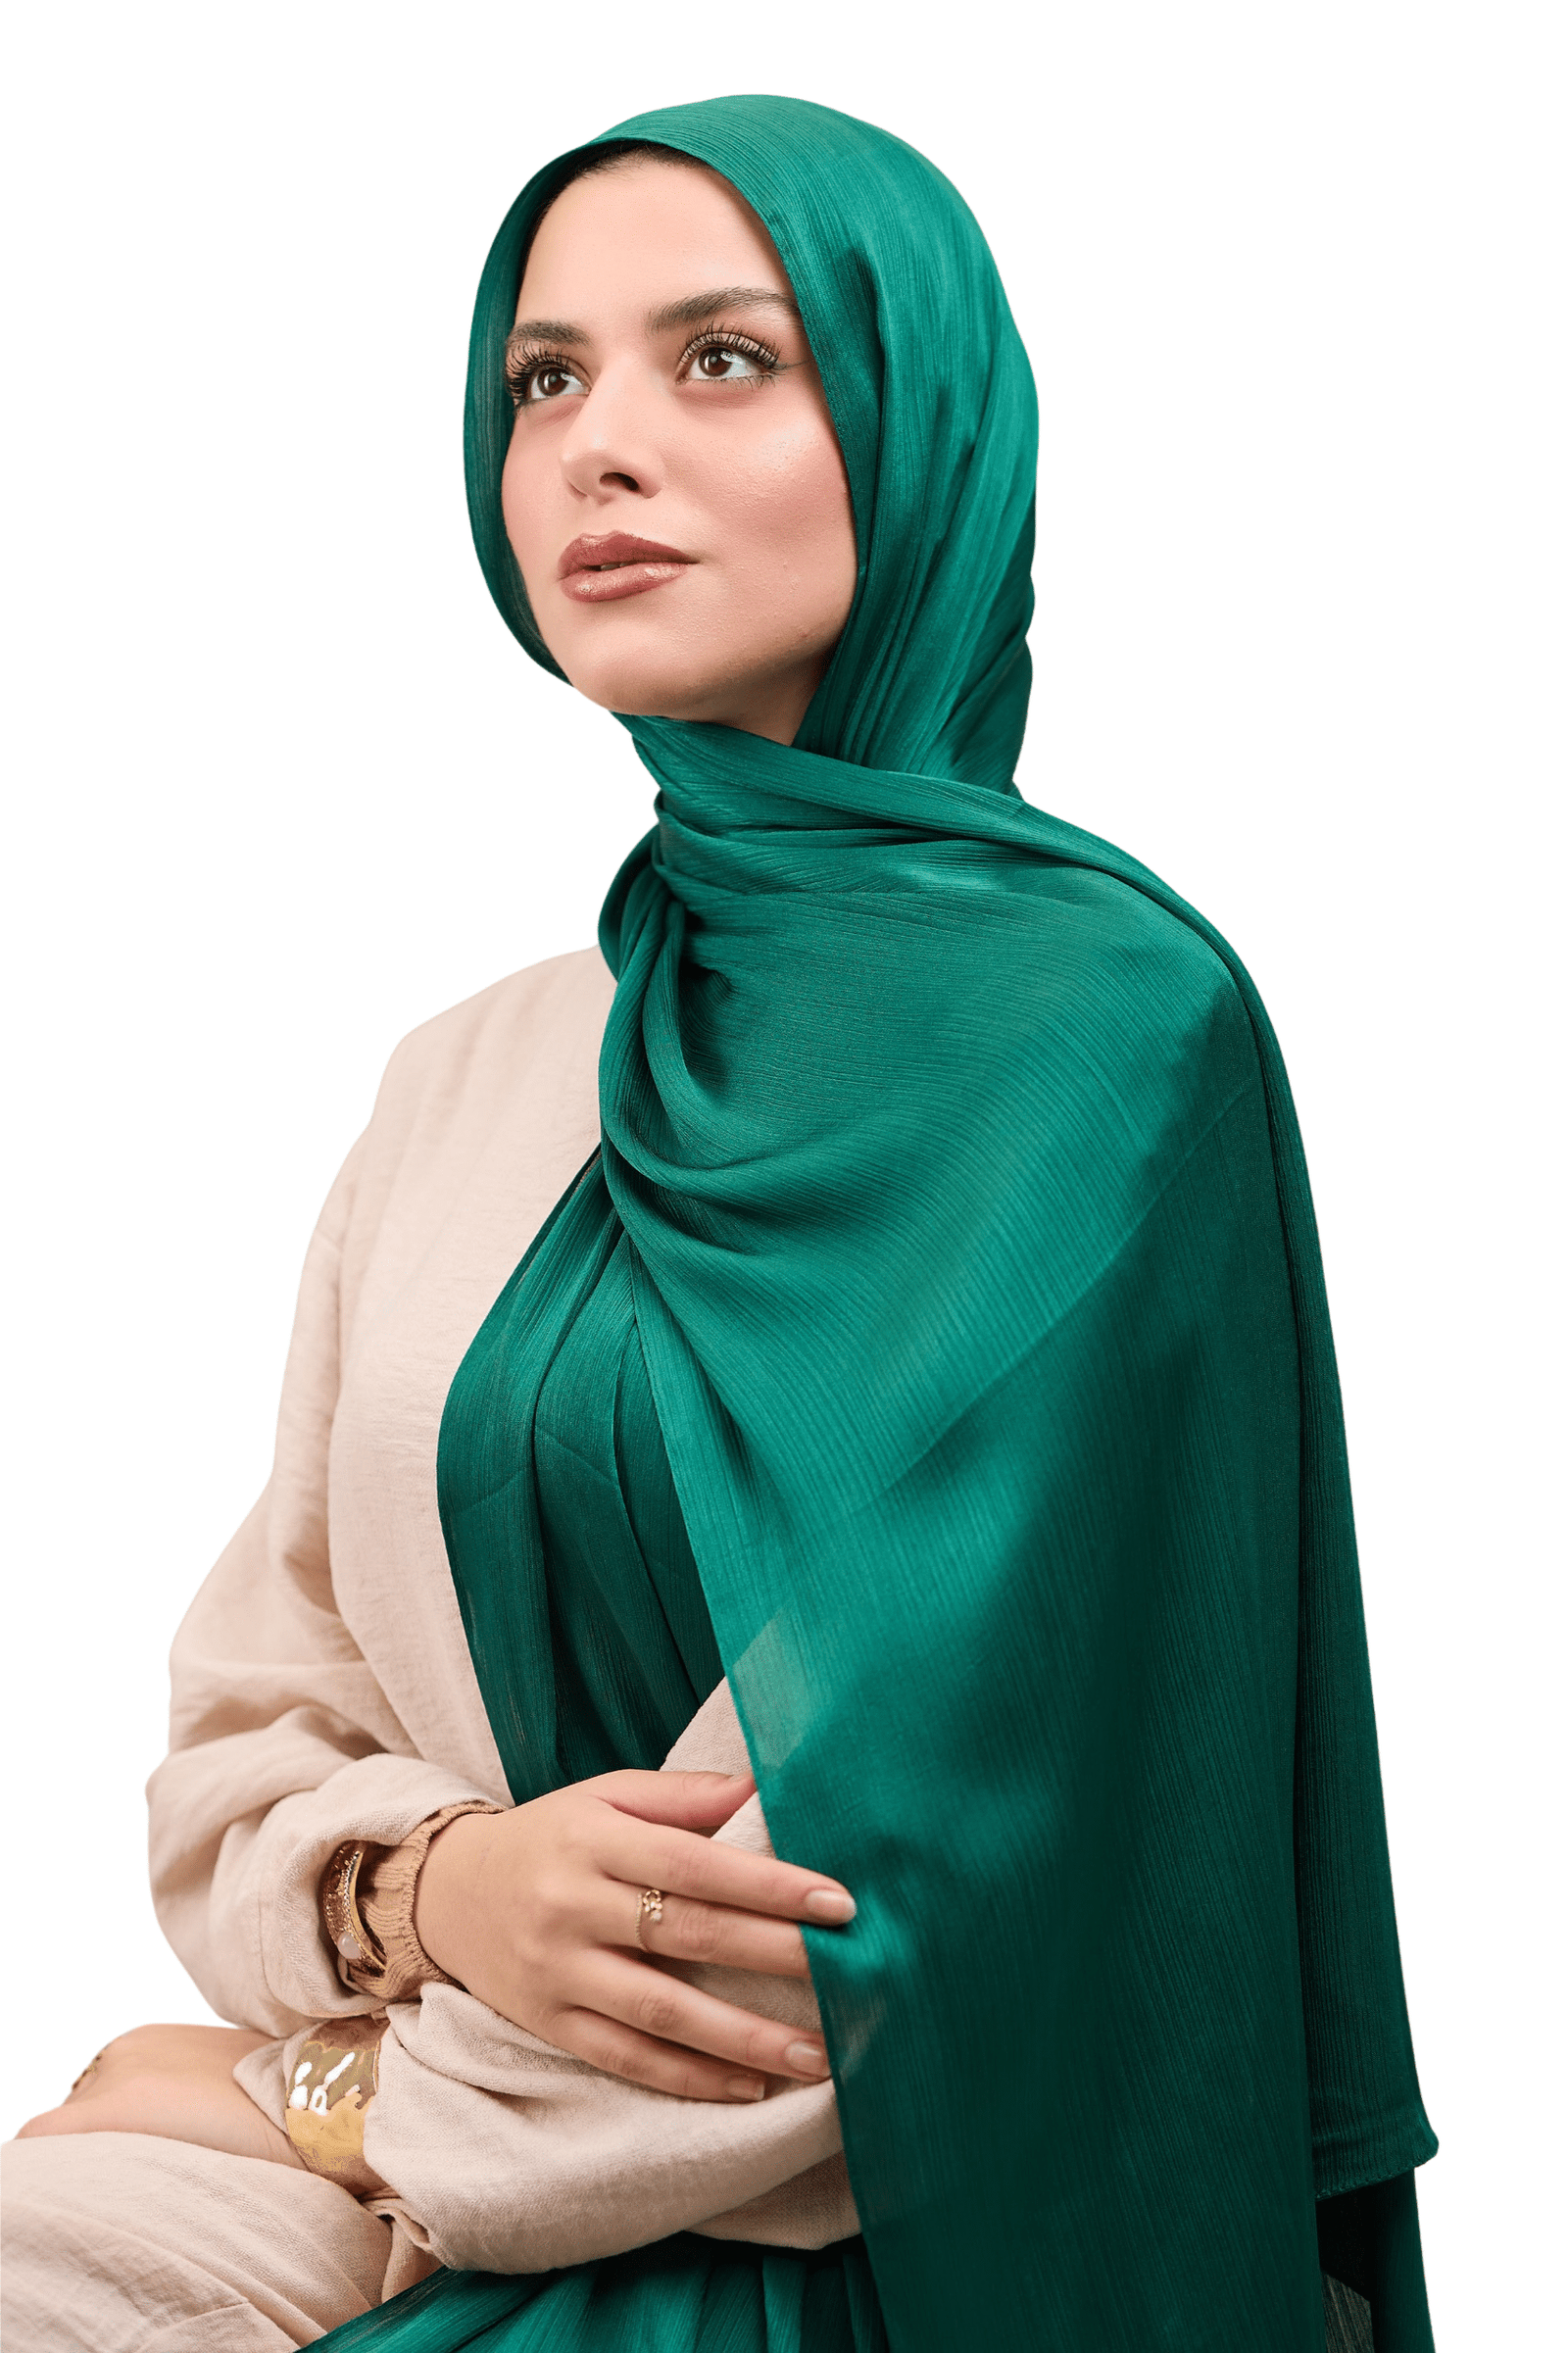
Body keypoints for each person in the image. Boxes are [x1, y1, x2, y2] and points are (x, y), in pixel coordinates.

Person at [2, 95, 1438, 2353]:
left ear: (914, 425)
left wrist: (324, 2103)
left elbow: (894, 1901)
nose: (598, 444)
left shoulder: (1098, 1046)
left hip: (887, 2259)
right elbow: (251, 1727)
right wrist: (438, 1890)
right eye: (542, 378)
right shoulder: (473, 1073)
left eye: (724, 358)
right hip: (450, 2152)